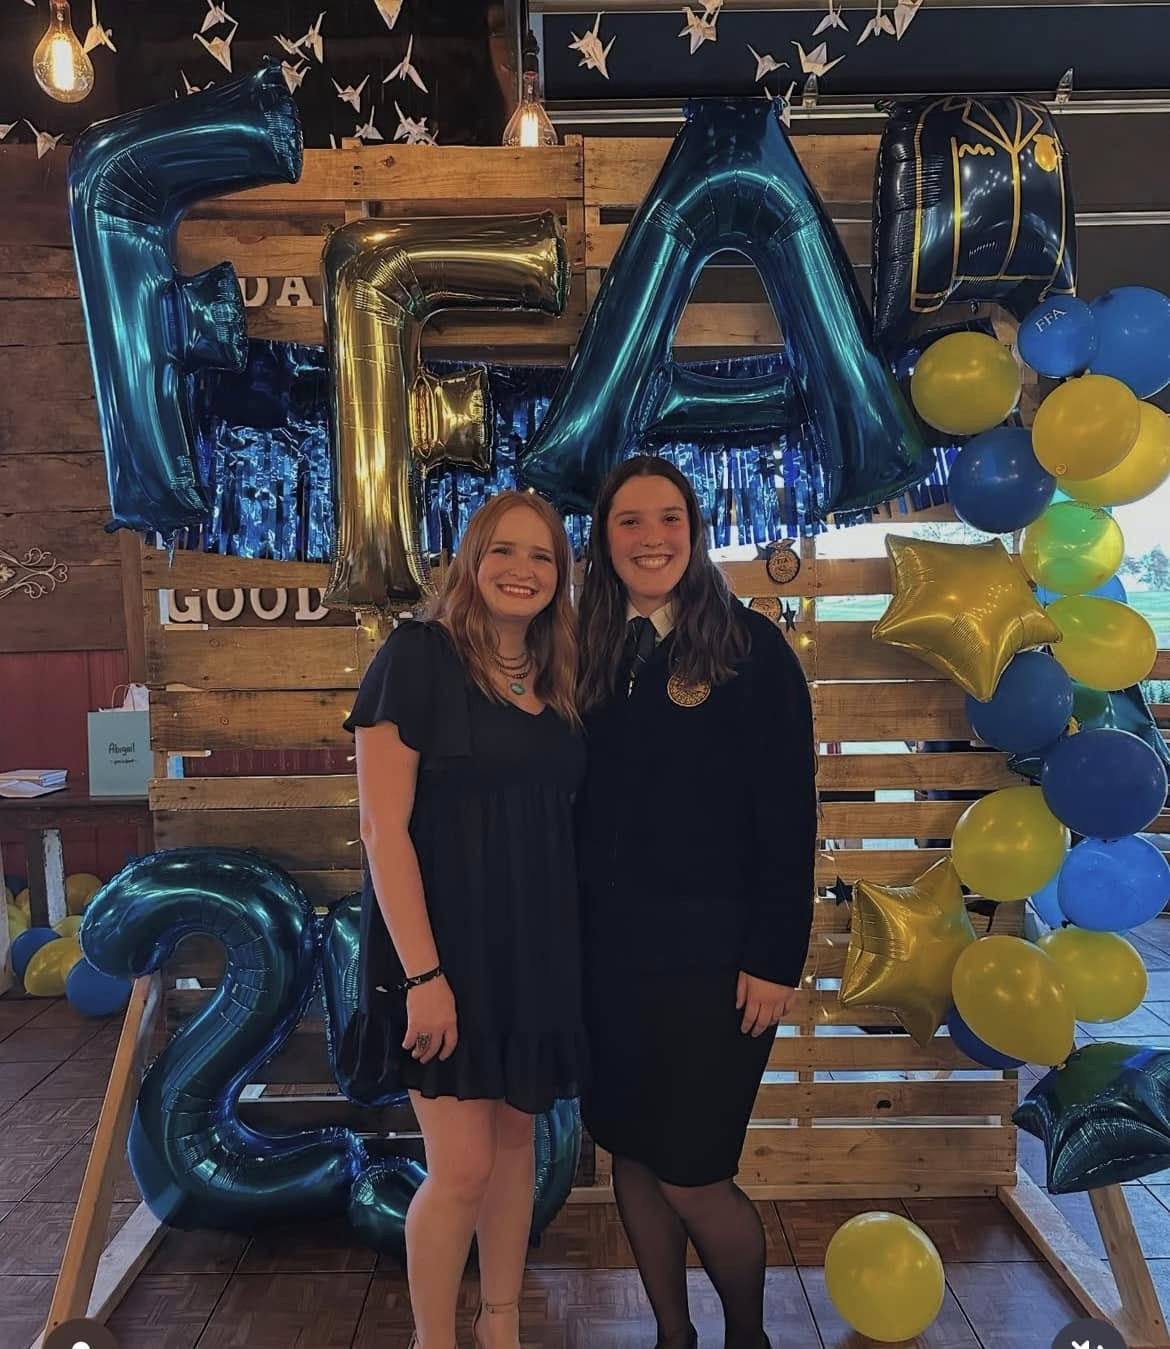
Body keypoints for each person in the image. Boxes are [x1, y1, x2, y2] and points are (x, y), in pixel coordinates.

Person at [575, 456, 817, 1349]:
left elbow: (790, 816)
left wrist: (775, 955)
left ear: (696, 530)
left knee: (695, 1171)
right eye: (630, 520)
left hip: (717, 967)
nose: (652, 538)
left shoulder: (750, 648)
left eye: (669, 517)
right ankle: (672, 1337)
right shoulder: (584, 649)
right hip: (609, 961)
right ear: (604, 539)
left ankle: (747, 1339)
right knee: (633, 1153)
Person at [338, 490, 589, 1349]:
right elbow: (381, 828)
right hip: (440, 953)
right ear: (472, 560)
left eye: (543, 556)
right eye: (504, 550)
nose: (523, 569)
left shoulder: (559, 675)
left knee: (516, 1146)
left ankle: (500, 1325)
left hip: (533, 950)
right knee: (464, 1165)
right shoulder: (418, 656)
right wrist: (424, 975)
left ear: (560, 577)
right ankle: (433, 1338)